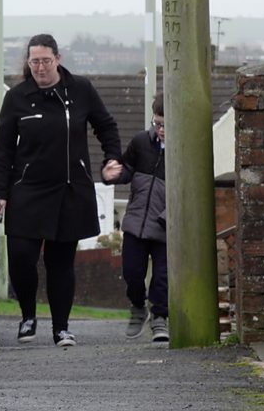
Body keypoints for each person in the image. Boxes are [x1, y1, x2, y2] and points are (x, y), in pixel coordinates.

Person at [0, 33, 122, 347]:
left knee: (60, 263)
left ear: (58, 59)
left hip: (69, 190)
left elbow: (106, 125)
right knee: (22, 258)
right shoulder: (17, 98)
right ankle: (28, 317)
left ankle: (61, 328)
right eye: (34, 61)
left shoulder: (80, 90)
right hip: (27, 190)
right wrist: (0, 192)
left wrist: (111, 158)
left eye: (45, 61)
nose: (39, 67)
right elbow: (4, 149)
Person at [102, 92, 168, 342]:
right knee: (131, 272)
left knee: (162, 277)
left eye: (166, 125)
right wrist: (112, 174)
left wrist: (168, 216)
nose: (161, 130)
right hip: (136, 223)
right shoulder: (141, 142)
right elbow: (127, 169)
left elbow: (188, 189)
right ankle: (138, 307)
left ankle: (160, 318)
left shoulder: (184, 150)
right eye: (157, 123)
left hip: (164, 227)